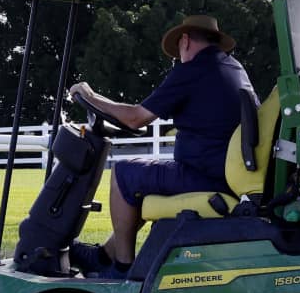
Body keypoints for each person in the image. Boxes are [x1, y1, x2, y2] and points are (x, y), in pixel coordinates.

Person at [67, 14, 256, 276]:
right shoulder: (232, 67)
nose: (178, 56)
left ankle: (122, 269)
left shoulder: (192, 71)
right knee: (144, 178)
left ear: (186, 41)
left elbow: (135, 118)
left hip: (206, 176)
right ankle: (102, 255)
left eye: (178, 49)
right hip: (223, 173)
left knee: (123, 174)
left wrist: (90, 96)